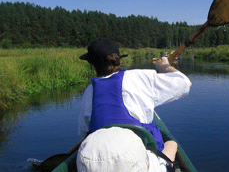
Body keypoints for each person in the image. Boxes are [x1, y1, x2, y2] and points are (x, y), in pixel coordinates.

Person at [77, 38, 191, 171]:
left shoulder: (89, 91)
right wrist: (165, 66)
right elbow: (185, 84)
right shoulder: (138, 77)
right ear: (118, 60)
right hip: (138, 160)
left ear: (93, 65)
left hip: (95, 164)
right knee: (171, 144)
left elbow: (85, 131)